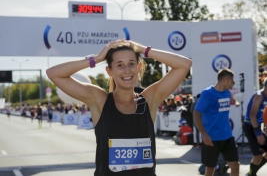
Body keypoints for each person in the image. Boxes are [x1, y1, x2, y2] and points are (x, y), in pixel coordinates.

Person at [46, 39, 192, 175]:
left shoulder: (148, 100)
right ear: (109, 71)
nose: (127, 70)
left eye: (131, 63)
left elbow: (184, 64)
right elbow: (54, 74)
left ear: (139, 66)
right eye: (120, 65)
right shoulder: (100, 101)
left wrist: (142, 49)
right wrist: (96, 59)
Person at [193, 68, 240, 176]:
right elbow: (196, 113)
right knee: (210, 170)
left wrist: (236, 102)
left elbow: (232, 98)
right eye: (231, 81)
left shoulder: (227, 92)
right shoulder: (207, 94)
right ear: (224, 80)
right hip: (211, 139)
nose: (233, 83)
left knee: (235, 166)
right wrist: (204, 134)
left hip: (227, 137)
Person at [243, 78, 267, 176]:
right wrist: (258, 134)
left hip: (258, 126)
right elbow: (252, 115)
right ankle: (250, 174)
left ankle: (251, 174)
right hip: (250, 127)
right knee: (257, 156)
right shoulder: (259, 96)